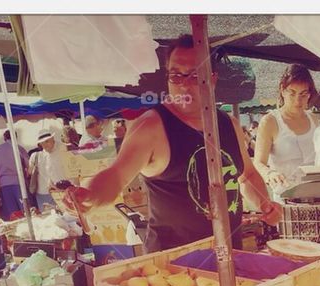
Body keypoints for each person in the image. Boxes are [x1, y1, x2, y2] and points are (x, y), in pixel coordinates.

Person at [69, 34, 281, 252]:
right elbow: (117, 175)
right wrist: (90, 194)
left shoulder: (230, 124)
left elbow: (247, 175)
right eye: (176, 76)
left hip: (229, 255)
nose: (184, 85)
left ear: (213, 78)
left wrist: (265, 203)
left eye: (194, 76)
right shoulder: (151, 126)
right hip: (172, 268)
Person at [253, 63, 319, 193]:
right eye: (292, 93)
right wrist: (270, 174)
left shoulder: (314, 119)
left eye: (303, 94)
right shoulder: (270, 121)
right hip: (286, 193)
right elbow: (258, 162)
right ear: (282, 90)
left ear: (310, 94)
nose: (297, 101)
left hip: (316, 190)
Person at [0, 130, 29, 219]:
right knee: (26, 211)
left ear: (4, 138)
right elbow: (29, 166)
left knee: (13, 214)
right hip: (19, 183)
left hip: (4, 184)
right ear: (15, 137)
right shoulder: (19, 148)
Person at [31, 131, 67, 210]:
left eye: (47, 141)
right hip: (55, 192)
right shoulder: (45, 153)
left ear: (52, 139)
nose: (45, 145)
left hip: (66, 190)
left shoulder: (63, 148)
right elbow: (49, 170)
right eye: (42, 143)